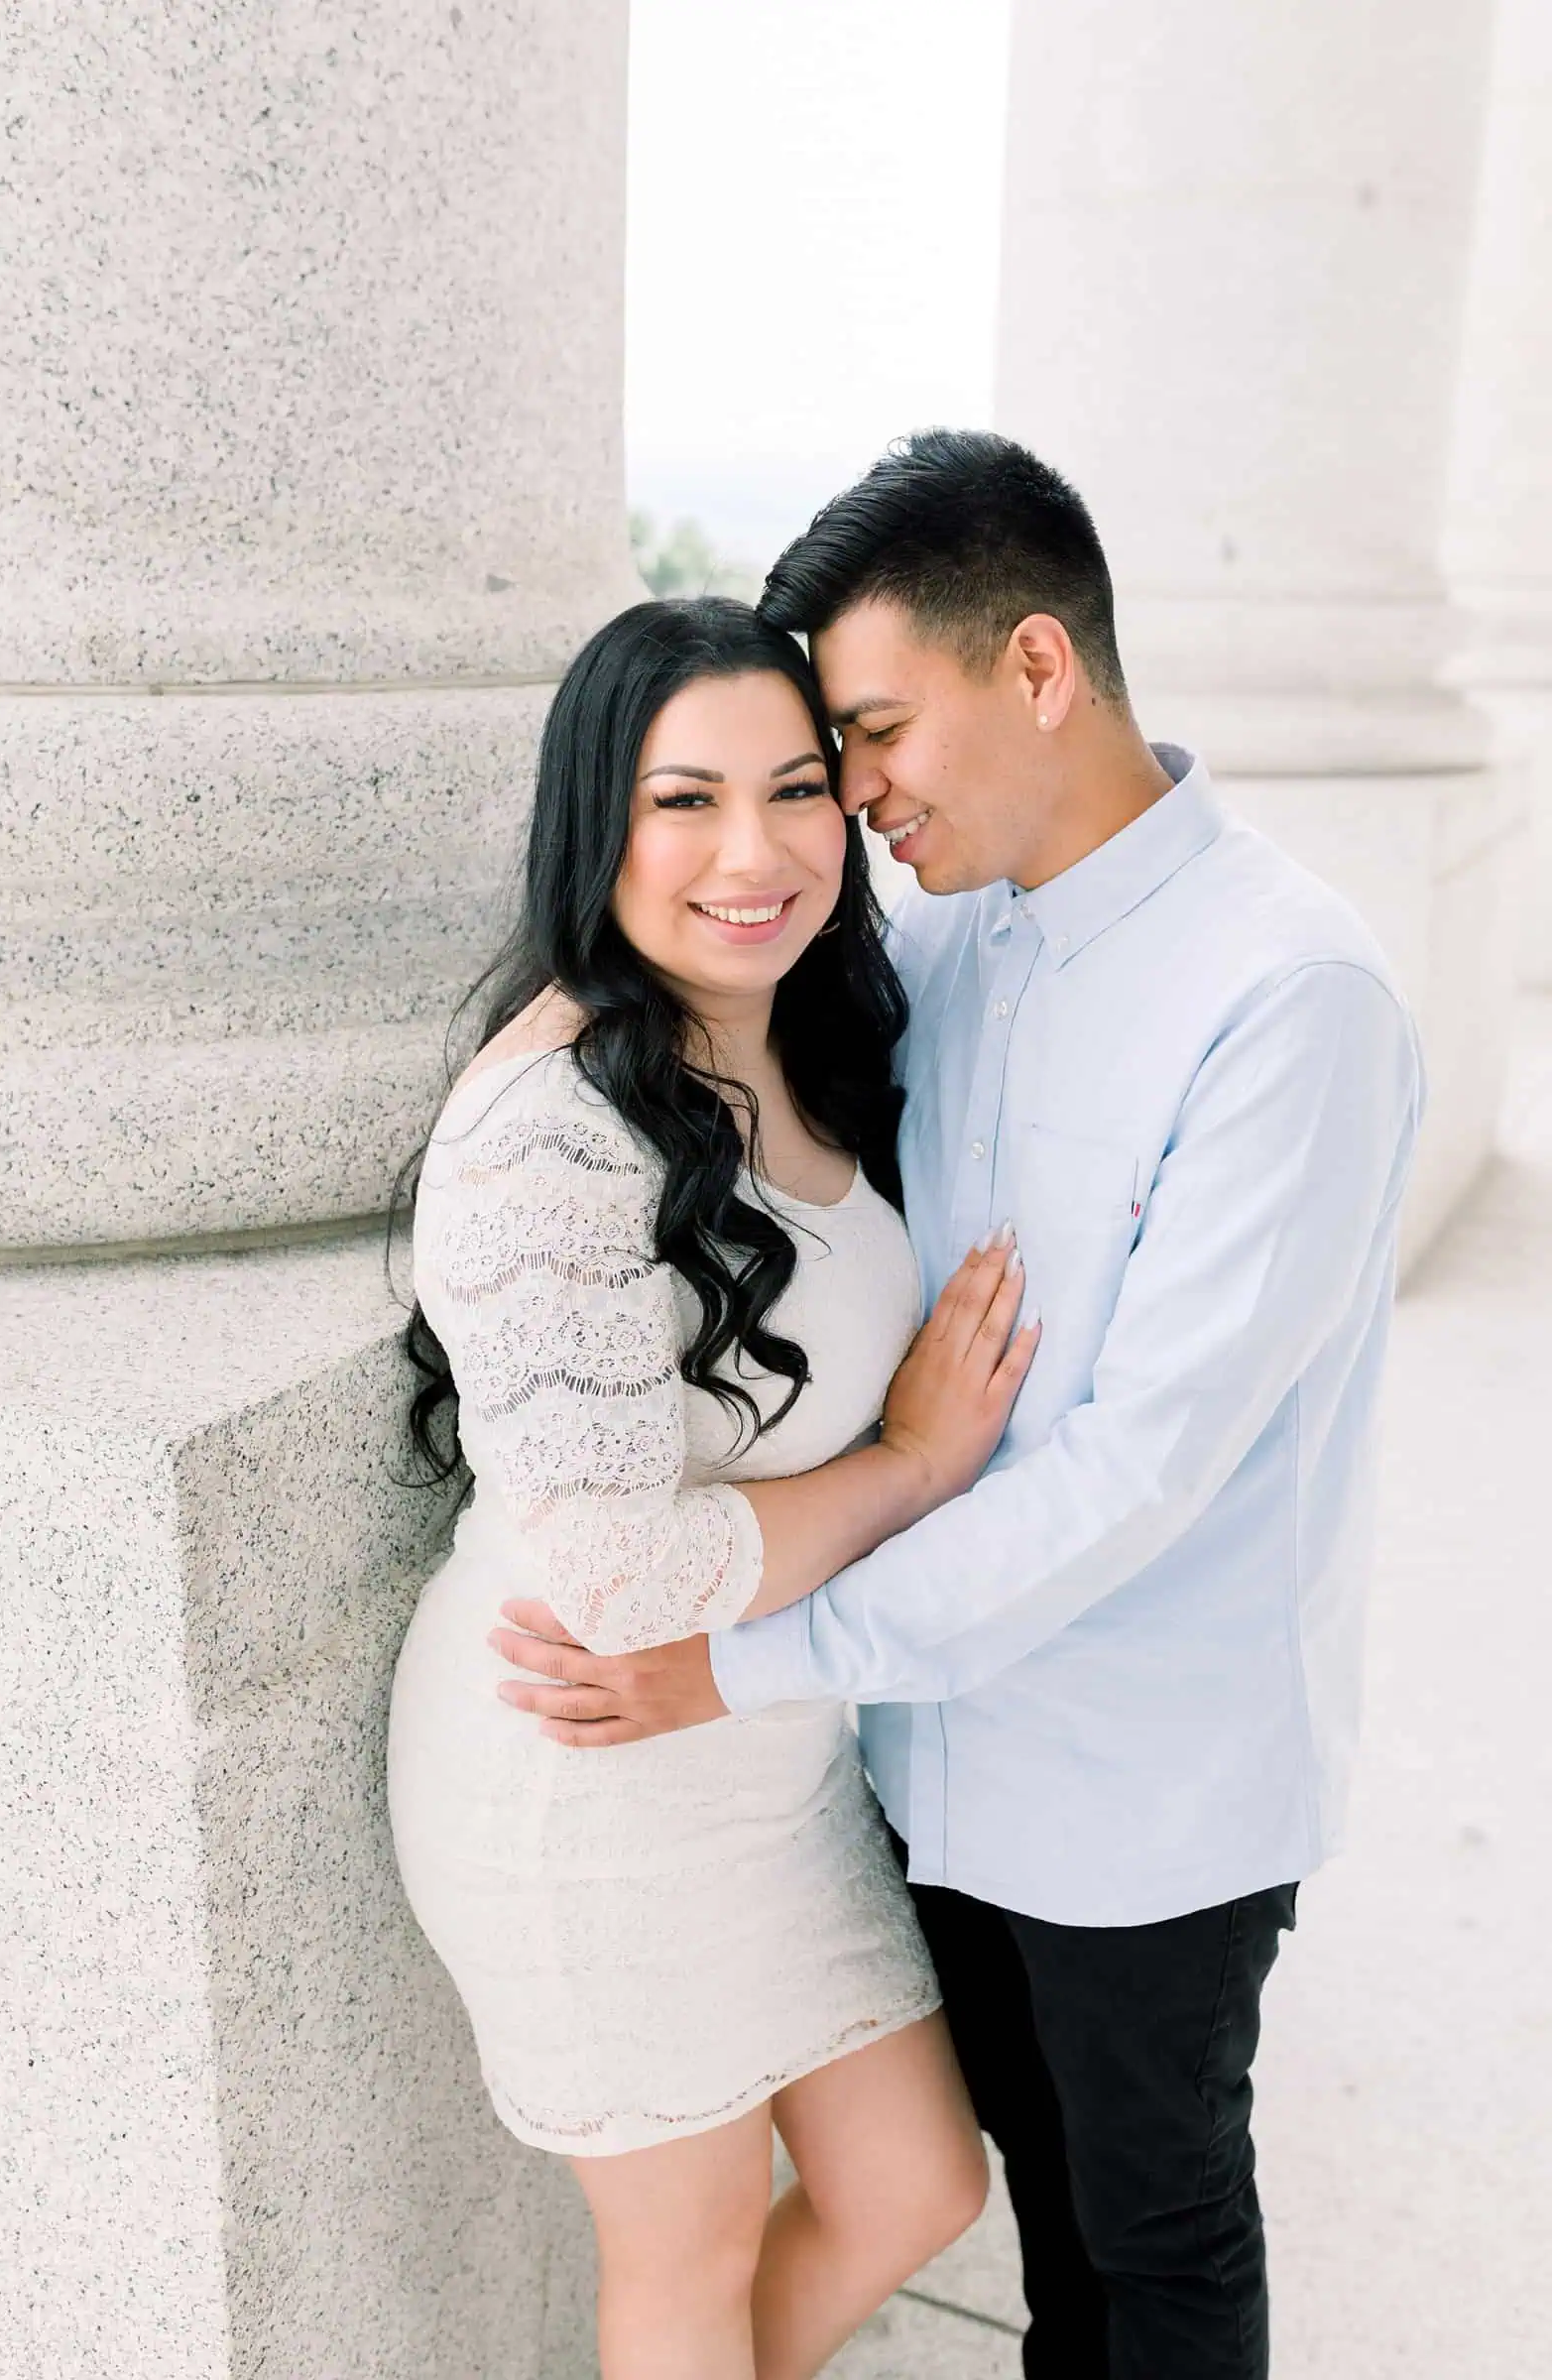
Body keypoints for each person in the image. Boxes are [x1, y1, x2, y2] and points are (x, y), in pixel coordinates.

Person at [493, 430, 1428, 2380]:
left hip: (1135, 1794)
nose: (854, 798)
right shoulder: (945, 937)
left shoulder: (1287, 996)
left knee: (1148, 2254)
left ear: (1032, 666)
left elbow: (1132, 1475)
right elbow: (720, 973)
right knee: (1036, 2244)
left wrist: (736, 1663)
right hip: (925, 1761)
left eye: (868, 732)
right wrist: (562, 1008)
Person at [386, 595, 1044, 2380]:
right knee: (675, 2278)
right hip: (584, 1761)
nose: (751, 854)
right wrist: (914, 1465)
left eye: (795, 789)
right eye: (683, 802)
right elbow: (617, 1577)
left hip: (768, 1744)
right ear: (597, 820)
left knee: (914, 2184)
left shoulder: (801, 1029)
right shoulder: (546, 1130)